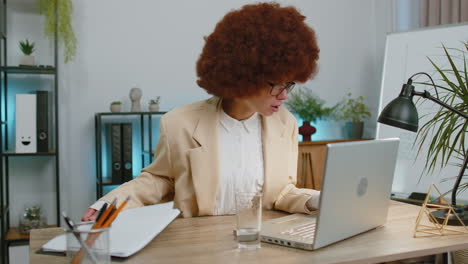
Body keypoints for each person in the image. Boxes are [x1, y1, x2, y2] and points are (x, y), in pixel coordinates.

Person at [82, 2, 320, 221]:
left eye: (289, 84)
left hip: (262, 243)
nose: (284, 95)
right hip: (201, 246)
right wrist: (108, 206)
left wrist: (316, 200)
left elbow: (282, 192)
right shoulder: (180, 123)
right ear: (245, 75)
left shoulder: (285, 124)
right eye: (276, 84)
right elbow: (159, 179)